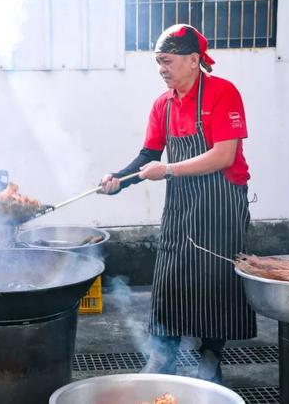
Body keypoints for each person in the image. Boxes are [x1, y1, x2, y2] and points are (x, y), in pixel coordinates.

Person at [100, 24, 256, 383]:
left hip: (222, 202)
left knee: (216, 280)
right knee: (169, 277)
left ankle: (210, 357)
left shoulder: (223, 93)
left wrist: (168, 169)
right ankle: (163, 355)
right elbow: (148, 155)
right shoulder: (163, 104)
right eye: (158, 62)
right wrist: (118, 180)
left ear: (193, 60)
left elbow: (223, 155)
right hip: (181, 204)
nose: (162, 70)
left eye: (167, 61)